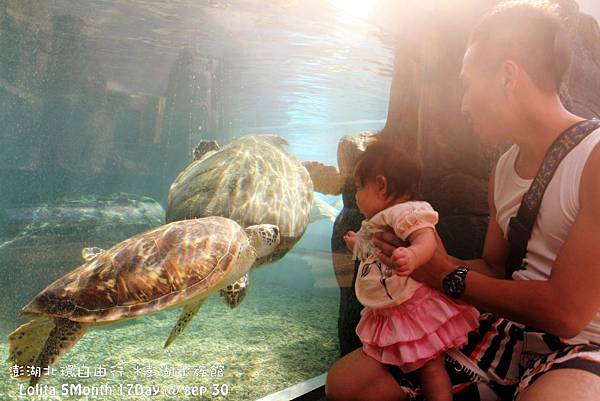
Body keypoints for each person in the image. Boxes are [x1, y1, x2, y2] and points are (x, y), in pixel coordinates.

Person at [326, 1, 600, 400]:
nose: (463, 104)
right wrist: (424, 259)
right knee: (349, 383)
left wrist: (443, 273)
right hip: (508, 331)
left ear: (508, 76)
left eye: (468, 84)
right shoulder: (503, 169)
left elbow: (566, 312)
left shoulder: (594, 158)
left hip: (581, 344)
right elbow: (493, 267)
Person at [342, 136, 480, 401]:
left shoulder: (406, 212)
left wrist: (414, 255)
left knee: (430, 366)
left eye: (359, 187)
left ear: (381, 185)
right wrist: (355, 245)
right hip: (396, 308)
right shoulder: (377, 219)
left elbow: (426, 238)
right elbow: (375, 250)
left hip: (415, 308)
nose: (356, 195)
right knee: (413, 363)